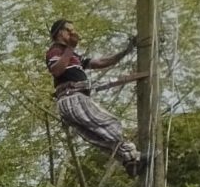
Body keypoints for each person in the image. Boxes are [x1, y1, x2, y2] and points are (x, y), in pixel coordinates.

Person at [46, 18, 143, 175]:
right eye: (69, 30)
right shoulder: (55, 51)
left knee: (100, 136)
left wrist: (127, 50)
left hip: (71, 101)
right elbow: (57, 71)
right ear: (60, 33)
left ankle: (130, 161)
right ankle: (131, 155)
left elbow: (100, 62)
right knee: (110, 123)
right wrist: (70, 48)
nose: (73, 33)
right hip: (72, 98)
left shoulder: (73, 55)